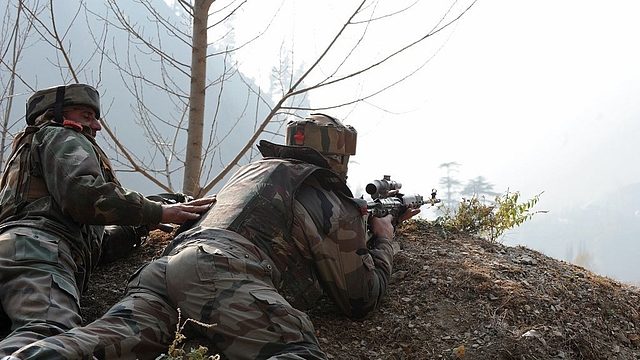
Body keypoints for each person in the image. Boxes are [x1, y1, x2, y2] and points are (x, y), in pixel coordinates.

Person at [1, 113, 419, 360]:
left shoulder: (250, 177)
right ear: (338, 158)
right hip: (223, 275)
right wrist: (383, 238)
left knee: (95, 344)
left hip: (165, 271)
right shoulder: (325, 196)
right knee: (298, 350)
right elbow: (360, 298)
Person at [0, 84, 215, 357]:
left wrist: (139, 227)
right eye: (86, 116)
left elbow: (95, 246)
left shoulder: (32, 169)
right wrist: (157, 211)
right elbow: (86, 196)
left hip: (17, 251)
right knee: (47, 333)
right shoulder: (62, 135)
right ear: (59, 115)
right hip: (38, 252)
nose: (97, 126)